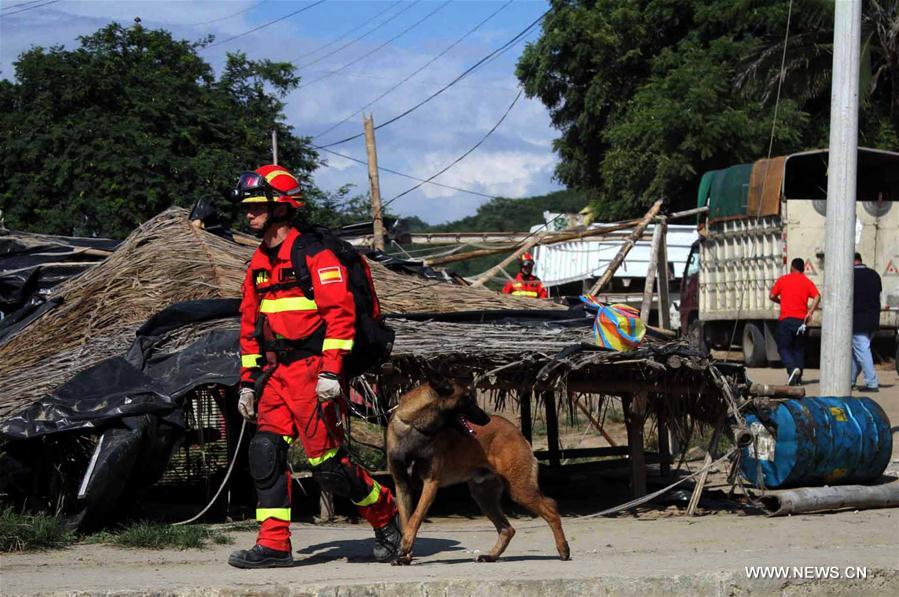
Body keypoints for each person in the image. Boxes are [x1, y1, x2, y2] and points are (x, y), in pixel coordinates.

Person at [228, 165, 400, 569]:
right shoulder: (257, 265)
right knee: (265, 453)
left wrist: (329, 372)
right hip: (274, 376)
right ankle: (273, 545)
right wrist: (249, 383)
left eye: (255, 206)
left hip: (312, 372)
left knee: (329, 468)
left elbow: (340, 316)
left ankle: (387, 515)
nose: (248, 214)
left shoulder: (314, 254)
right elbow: (251, 328)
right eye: (246, 207)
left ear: (281, 207)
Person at [769, 258, 820, 385]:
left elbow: (771, 296)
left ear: (792, 267)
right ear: (803, 269)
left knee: (783, 347)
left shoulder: (783, 280)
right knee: (799, 349)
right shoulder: (806, 282)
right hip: (801, 321)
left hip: (786, 320)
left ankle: (791, 369)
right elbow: (817, 296)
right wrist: (810, 312)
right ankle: (798, 378)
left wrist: (780, 301)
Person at [851, 252, 881, 392]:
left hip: (857, 319)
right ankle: (849, 380)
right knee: (857, 353)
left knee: (862, 350)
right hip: (873, 319)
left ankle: (871, 382)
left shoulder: (850, 276)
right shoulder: (874, 275)